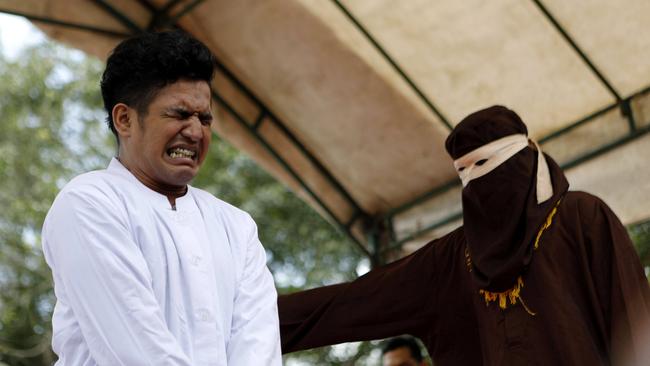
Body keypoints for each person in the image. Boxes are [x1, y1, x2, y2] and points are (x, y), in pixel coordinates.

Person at [279, 105, 650, 365]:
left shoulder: (582, 218)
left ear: (526, 157)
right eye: (463, 172)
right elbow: (350, 303)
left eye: (486, 164)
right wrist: (243, 320)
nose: (476, 183)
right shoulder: (452, 259)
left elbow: (633, 320)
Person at [41, 30, 281, 365]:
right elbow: (136, 352)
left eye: (205, 118)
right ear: (124, 119)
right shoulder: (88, 203)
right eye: (180, 114)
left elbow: (258, 348)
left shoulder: (236, 226)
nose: (196, 132)